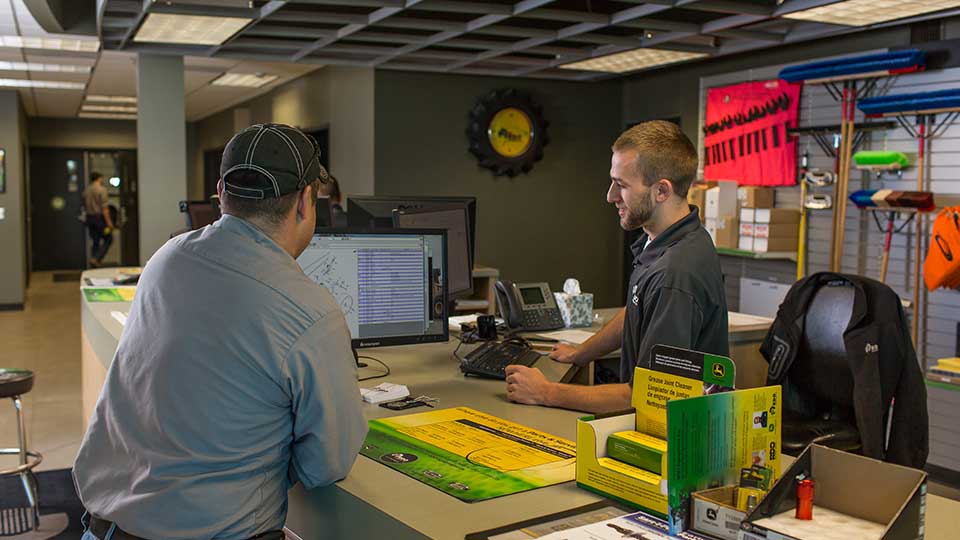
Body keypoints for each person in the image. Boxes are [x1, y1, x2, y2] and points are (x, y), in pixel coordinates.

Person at [74, 123, 368, 540]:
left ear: (221, 192)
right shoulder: (310, 311)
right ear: (306, 200)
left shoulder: (165, 259)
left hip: (105, 530)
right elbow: (328, 465)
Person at [504, 121, 729, 413]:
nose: (610, 196)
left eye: (621, 185)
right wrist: (583, 353)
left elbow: (649, 398)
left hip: (672, 440)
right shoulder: (670, 240)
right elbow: (636, 311)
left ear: (661, 191)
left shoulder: (675, 275)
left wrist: (546, 392)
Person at [83, 172, 114, 267]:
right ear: (99, 178)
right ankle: (96, 258)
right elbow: (105, 208)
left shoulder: (86, 190)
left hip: (90, 218)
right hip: (99, 218)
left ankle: (94, 260)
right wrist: (109, 222)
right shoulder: (102, 189)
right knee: (109, 238)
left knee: (95, 240)